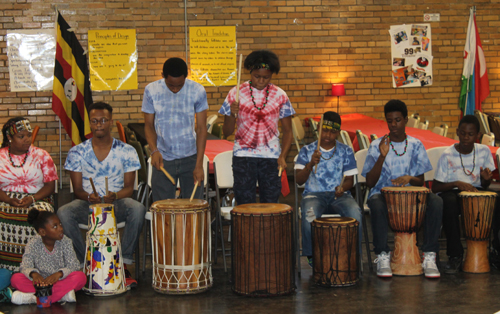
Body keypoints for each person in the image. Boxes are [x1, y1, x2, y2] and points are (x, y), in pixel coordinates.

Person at [57, 102, 145, 288]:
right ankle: (86, 263)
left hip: (117, 204)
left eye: (103, 120)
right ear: (90, 123)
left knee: (137, 208)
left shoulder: (127, 151)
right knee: (64, 212)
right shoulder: (77, 152)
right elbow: (78, 189)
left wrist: (116, 195)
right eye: (95, 121)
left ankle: (124, 263)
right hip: (89, 205)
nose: (99, 124)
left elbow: (129, 188)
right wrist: (89, 198)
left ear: (111, 122)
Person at [361, 100, 442, 278]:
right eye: (389, 121)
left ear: (405, 120)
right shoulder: (377, 145)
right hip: (383, 194)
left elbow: (420, 182)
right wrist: (381, 157)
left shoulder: (416, 145)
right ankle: (382, 255)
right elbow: (369, 183)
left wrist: (410, 178)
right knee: (375, 202)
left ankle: (429, 255)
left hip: (412, 196)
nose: (393, 125)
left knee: (436, 201)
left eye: (397, 120)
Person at [219, 50, 295, 204]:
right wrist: (231, 114)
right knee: (245, 203)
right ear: (250, 72)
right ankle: (246, 229)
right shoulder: (235, 93)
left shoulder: (280, 95)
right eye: (257, 76)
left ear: (272, 75)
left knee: (271, 202)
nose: (261, 80)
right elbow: (226, 132)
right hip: (243, 156)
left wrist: (282, 156)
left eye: (266, 77)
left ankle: (269, 229)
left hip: (271, 157)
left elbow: (288, 131)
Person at [432, 115, 499, 273]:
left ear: (477, 136)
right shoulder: (447, 154)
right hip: (453, 193)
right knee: (447, 203)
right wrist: (456, 183)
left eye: (470, 134)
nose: (466, 138)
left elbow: (485, 184)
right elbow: (435, 187)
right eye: (462, 133)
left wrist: (485, 180)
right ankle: (455, 255)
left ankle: (496, 252)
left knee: (497, 201)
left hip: (476, 191)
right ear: (457, 133)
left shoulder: (483, 151)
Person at [295, 111, 362, 267]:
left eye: (333, 132)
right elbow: (298, 180)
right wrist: (310, 164)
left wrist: (342, 187)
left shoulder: (346, 151)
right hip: (313, 195)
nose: (328, 135)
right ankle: (311, 254)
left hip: (340, 195)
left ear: (338, 132)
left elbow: (350, 180)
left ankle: (353, 253)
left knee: (355, 214)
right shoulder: (306, 150)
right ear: (318, 128)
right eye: (324, 130)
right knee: (309, 216)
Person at [142, 57, 208, 202]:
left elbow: (202, 128)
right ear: (162, 76)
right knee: (162, 208)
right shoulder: (151, 90)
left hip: (190, 157)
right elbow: (148, 125)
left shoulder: (197, 90)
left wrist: (199, 164)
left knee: (193, 207)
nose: (175, 89)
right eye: (171, 85)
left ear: (186, 77)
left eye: (180, 85)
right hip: (163, 157)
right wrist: (154, 150)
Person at [0, 117, 58, 271]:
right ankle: (5, 268)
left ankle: (37, 268)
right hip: (5, 198)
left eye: (29, 135)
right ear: (9, 138)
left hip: (38, 197)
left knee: (39, 216)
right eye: (21, 136)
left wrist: (32, 198)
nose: (27, 140)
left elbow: (50, 186)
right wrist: (8, 199)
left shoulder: (42, 155)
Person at [10, 209, 86, 304]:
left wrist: (59, 274)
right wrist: (34, 274)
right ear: (42, 232)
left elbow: (74, 265)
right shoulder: (33, 243)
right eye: (55, 226)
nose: (61, 228)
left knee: (80, 277)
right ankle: (60, 296)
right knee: (15, 279)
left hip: (59, 281)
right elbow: (25, 266)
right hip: (40, 283)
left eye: (60, 224)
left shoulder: (66, 242)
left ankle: (35, 298)